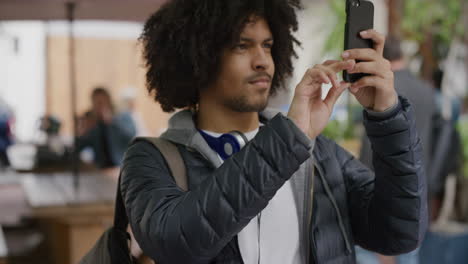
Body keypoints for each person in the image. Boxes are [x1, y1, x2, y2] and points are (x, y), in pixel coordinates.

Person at [120, 1, 428, 263]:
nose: (262, 61)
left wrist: (386, 117)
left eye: (267, 46)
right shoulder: (150, 158)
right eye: (242, 45)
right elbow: (175, 244)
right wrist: (289, 138)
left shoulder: (317, 153)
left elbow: (400, 233)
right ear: (196, 56)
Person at [76, 87, 136, 169]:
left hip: (121, 166)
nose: (99, 106)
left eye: (101, 102)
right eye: (96, 103)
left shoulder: (122, 115)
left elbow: (131, 136)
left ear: (108, 101)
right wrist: (84, 131)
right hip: (100, 168)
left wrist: (112, 121)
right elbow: (79, 147)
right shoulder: (93, 120)